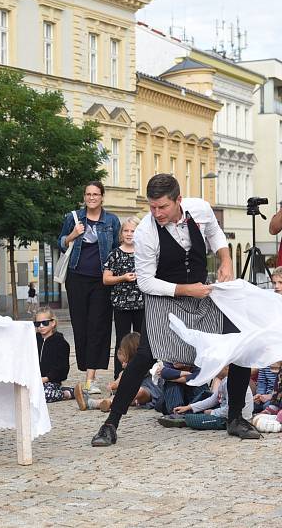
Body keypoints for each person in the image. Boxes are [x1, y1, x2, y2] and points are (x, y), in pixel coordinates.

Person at [91, 174, 259, 447]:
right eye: (152, 207)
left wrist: (225, 259)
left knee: (239, 344)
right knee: (144, 356)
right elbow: (145, 282)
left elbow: (215, 232)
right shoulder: (146, 232)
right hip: (164, 296)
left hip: (201, 293)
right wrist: (185, 289)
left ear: (178, 200)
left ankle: (236, 418)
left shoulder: (200, 209)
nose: (157, 213)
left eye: (163, 207)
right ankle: (110, 424)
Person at [58, 181, 121, 394]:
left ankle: (90, 378)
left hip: (101, 281)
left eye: (95, 194)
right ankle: (85, 368)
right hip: (76, 278)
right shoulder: (73, 217)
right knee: (80, 327)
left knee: (98, 327)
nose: (91, 197)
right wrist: (73, 235)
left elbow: (116, 250)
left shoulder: (111, 220)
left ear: (102, 197)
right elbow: (61, 243)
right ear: (84, 197)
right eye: (88, 194)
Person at [75, 333, 161, 412]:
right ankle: (93, 403)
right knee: (126, 395)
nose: (123, 365)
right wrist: (113, 385)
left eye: (125, 362)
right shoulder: (124, 372)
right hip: (131, 397)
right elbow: (118, 381)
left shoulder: (147, 366)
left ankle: (105, 402)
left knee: (139, 392)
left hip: (149, 393)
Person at [102, 215, 144, 380]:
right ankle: (119, 376)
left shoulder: (144, 252)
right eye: (126, 230)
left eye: (133, 231)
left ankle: (142, 374)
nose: (129, 234)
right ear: (121, 234)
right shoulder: (115, 254)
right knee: (122, 340)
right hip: (121, 305)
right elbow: (106, 279)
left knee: (142, 340)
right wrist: (123, 277)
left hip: (141, 303)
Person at [158, 365, 253, 431]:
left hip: (231, 419)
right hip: (224, 413)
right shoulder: (224, 381)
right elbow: (212, 399)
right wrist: (189, 407)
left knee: (193, 420)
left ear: (227, 368)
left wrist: (212, 412)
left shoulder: (231, 382)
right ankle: (185, 415)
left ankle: (184, 420)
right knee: (202, 403)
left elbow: (230, 410)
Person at [34, 307, 73, 403]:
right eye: (38, 324)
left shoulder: (60, 343)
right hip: (35, 380)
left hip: (52, 381)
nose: (41, 326)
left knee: (44, 395)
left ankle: (67, 393)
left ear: (53, 323)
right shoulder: (33, 340)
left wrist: (47, 378)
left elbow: (62, 367)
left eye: (45, 323)